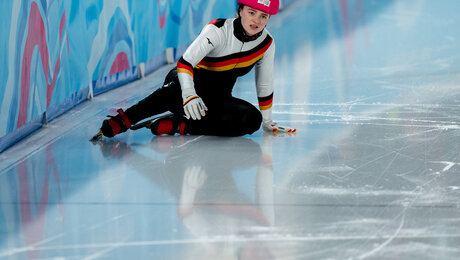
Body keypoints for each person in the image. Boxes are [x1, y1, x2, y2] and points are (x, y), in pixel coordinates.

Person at [96, 0, 295, 139]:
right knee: (176, 87)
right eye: (251, 12)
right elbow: (185, 63)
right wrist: (190, 95)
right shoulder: (217, 31)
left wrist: (268, 121)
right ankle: (125, 119)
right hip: (184, 86)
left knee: (252, 120)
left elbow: (265, 82)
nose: (257, 21)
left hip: (214, 101)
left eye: (263, 16)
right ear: (240, 10)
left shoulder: (267, 43)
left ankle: (180, 125)